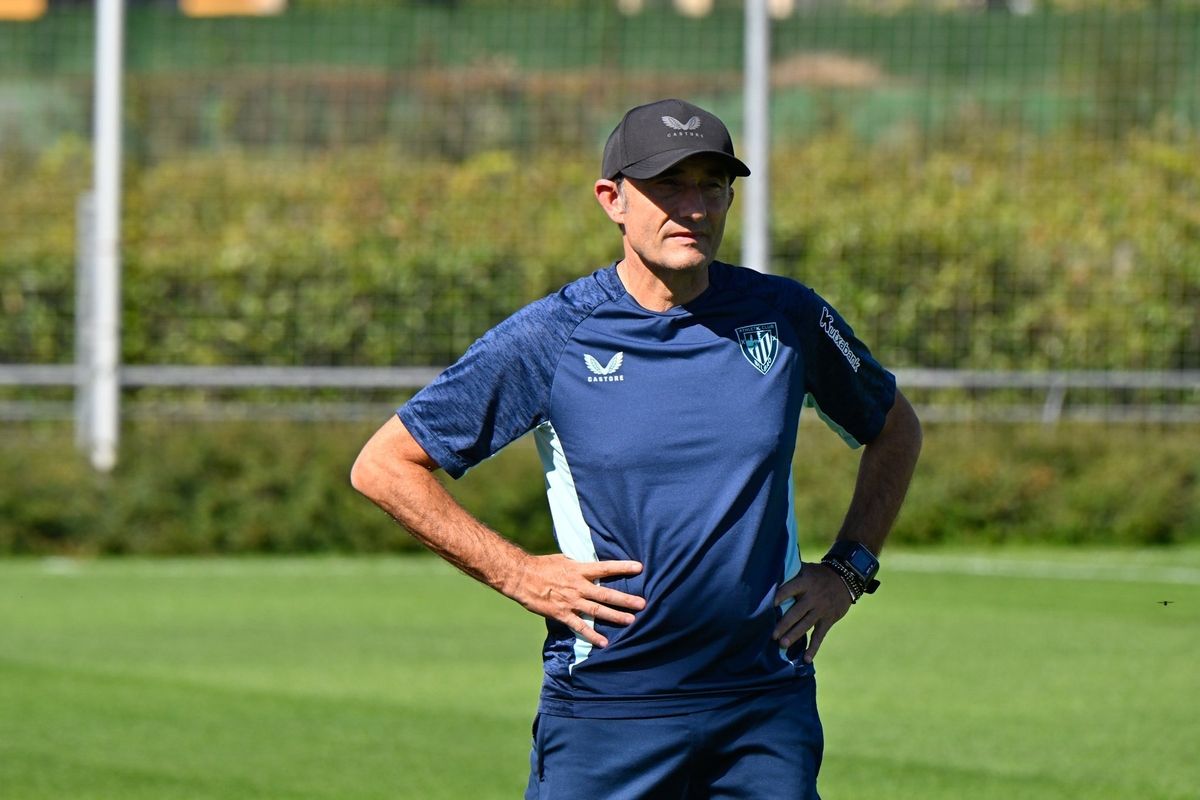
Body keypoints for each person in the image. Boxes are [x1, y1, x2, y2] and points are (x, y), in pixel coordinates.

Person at [351, 98, 922, 799]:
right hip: (608, 711)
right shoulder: (552, 335)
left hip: (763, 710)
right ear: (612, 199)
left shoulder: (788, 316)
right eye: (668, 185)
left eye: (712, 185)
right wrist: (518, 574)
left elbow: (894, 427)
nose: (694, 207)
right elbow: (384, 465)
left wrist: (849, 568)